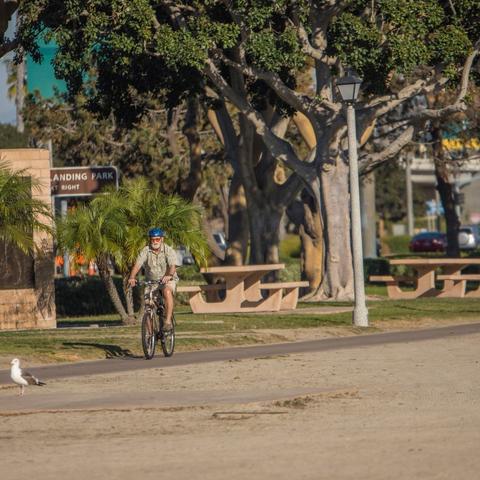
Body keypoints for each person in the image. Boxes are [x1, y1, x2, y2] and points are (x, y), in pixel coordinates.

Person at [128, 227, 178, 331]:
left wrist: (169, 275)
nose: (155, 242)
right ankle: (150, 336)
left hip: (167, 280)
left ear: (162, 239)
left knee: (167, 292)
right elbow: (137, 265)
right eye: (153, 239)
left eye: (157, 239)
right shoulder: (146, 250)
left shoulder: (168, 250)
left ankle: (168, 322)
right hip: (151, 281)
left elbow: (172, 266)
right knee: (148, 306)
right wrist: (132, 277)